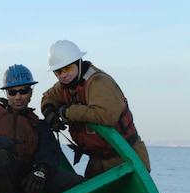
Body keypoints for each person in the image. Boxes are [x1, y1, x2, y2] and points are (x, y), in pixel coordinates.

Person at [0, 64, 85, 193]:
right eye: (13, 92)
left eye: (23, 91)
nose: (18, 97)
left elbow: (49, 152)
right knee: (1, 157)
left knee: (77, 183)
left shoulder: (39, 126)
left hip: (26, 184)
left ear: (31, 93)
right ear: (6, 93)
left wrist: (41, 171)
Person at [40, 40, 151, 178]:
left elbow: (106, 115)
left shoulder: (99, 82)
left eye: (68, 68)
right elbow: (47, 97)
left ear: (79, 63)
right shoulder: (65, 86)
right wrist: (49, 111)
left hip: (126, 158)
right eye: (58, 71)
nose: (63, 75)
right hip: (97, 161)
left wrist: (68, 112)